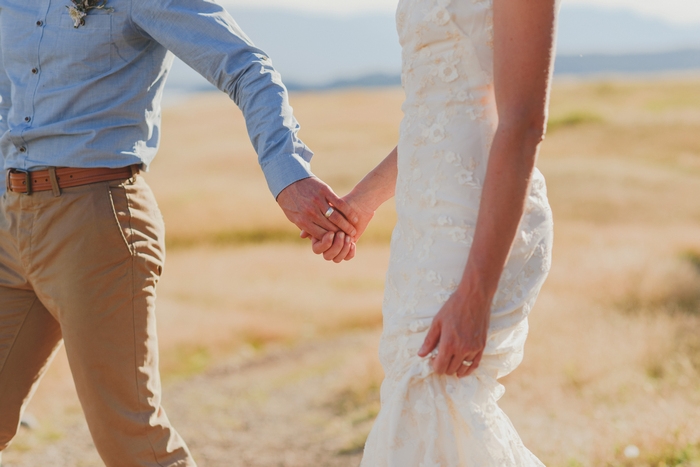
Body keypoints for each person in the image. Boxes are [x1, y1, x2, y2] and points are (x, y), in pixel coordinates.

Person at [0, 1, 357, 466]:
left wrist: (287, 173)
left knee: (130, 439)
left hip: (94, 220)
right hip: (9, 220)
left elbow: (245, 66)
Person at [307, 0, 559, 464]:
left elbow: (522, 124)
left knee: (433, 395)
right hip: (421, 224)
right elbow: (436, 116)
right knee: (419, 399)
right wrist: (362, 203)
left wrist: (475, 293)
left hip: (475, 220)